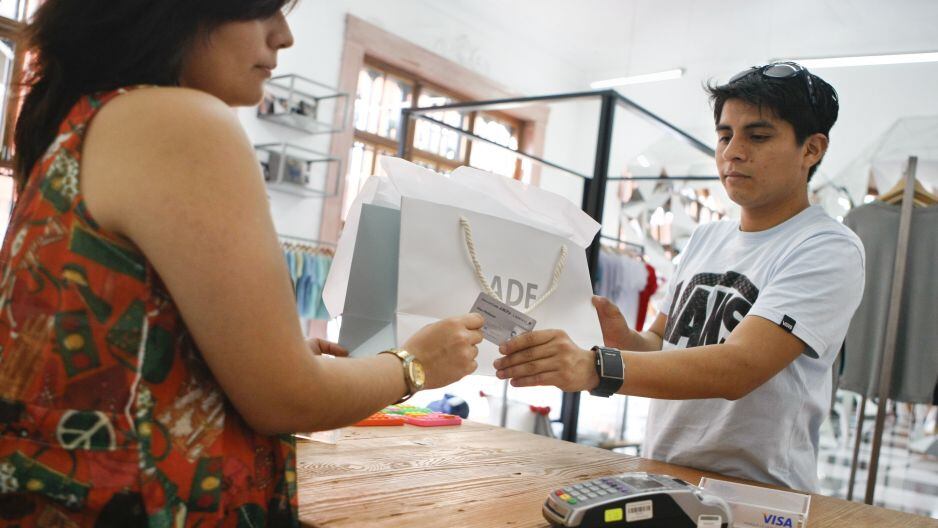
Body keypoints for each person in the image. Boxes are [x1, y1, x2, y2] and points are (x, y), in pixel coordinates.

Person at [0, 0, 483, 525]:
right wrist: (414, 364)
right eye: (263, 10)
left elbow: (116, 348)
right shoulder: (177, 119)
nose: (284, 37)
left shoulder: (85, 121)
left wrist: (242, 358)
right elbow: (286, 400)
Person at [495, 62, 865, 492]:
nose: (733, 151)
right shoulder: (706, 238)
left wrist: (596, 367)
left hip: (756, 494)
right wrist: (622, 337)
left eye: (758, 136)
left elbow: (740, 368)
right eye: (725, 135)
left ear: (811, 149)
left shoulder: (826, 247)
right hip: (665, 474)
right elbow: (660, 343)